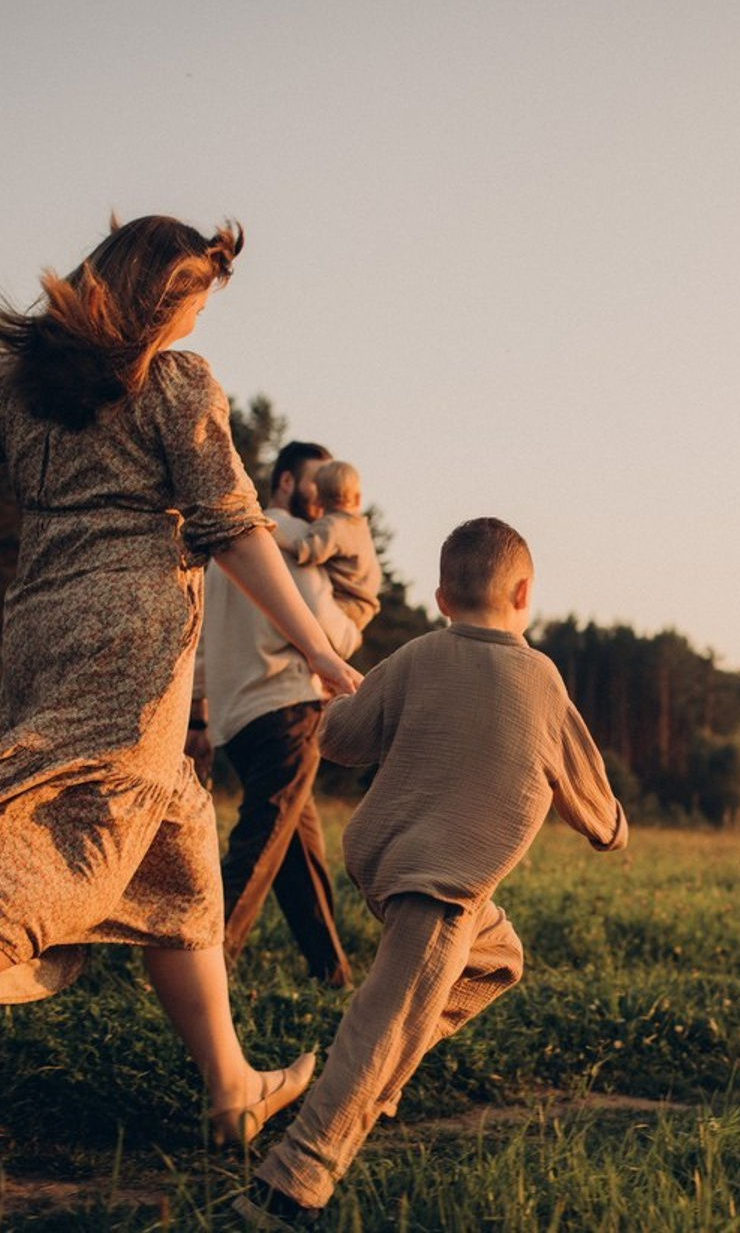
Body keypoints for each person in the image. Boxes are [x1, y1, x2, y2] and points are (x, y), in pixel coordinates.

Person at [0, 215, 361, 1146]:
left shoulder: (21, 388)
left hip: (37, 627)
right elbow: (233, 525)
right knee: (72, 835)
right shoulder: (176, 384)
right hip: (130, 648)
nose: (203, 316)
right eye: (198, 296)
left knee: (176, 840)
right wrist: (318, 649)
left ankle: (232, 1086)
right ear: (165, 300)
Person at [236, 517, 628, 1225]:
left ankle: (373, 1075)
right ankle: (290, 1185)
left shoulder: (416, 656)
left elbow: (342, 740)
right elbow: (586, 787)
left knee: (500, 959)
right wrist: (612, 827)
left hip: (388, 866)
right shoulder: (541, 678)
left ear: (443, 596)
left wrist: (342, 698)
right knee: (379, 1023)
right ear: (525, 593)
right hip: (443, 888)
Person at [191, 442, 361, 989]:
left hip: (235, 719)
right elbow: (330, 632)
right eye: (316, 485)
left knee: (297, 847)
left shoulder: (229, 547)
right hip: (286, 706)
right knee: (261, 842)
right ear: (286, 483)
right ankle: (205, 966)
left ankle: (331, 973)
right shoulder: (286, 542)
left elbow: (200, 640)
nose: (324, 500)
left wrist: (199, 717)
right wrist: (359, 616)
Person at [272, 458, 381, 630]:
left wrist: (281, 540)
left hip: (347, 604)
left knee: (301, 626)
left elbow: (310, 551)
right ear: (358, 498)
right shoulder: (360, 527)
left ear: (319, 501)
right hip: (365, 604)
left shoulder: (331, 526)